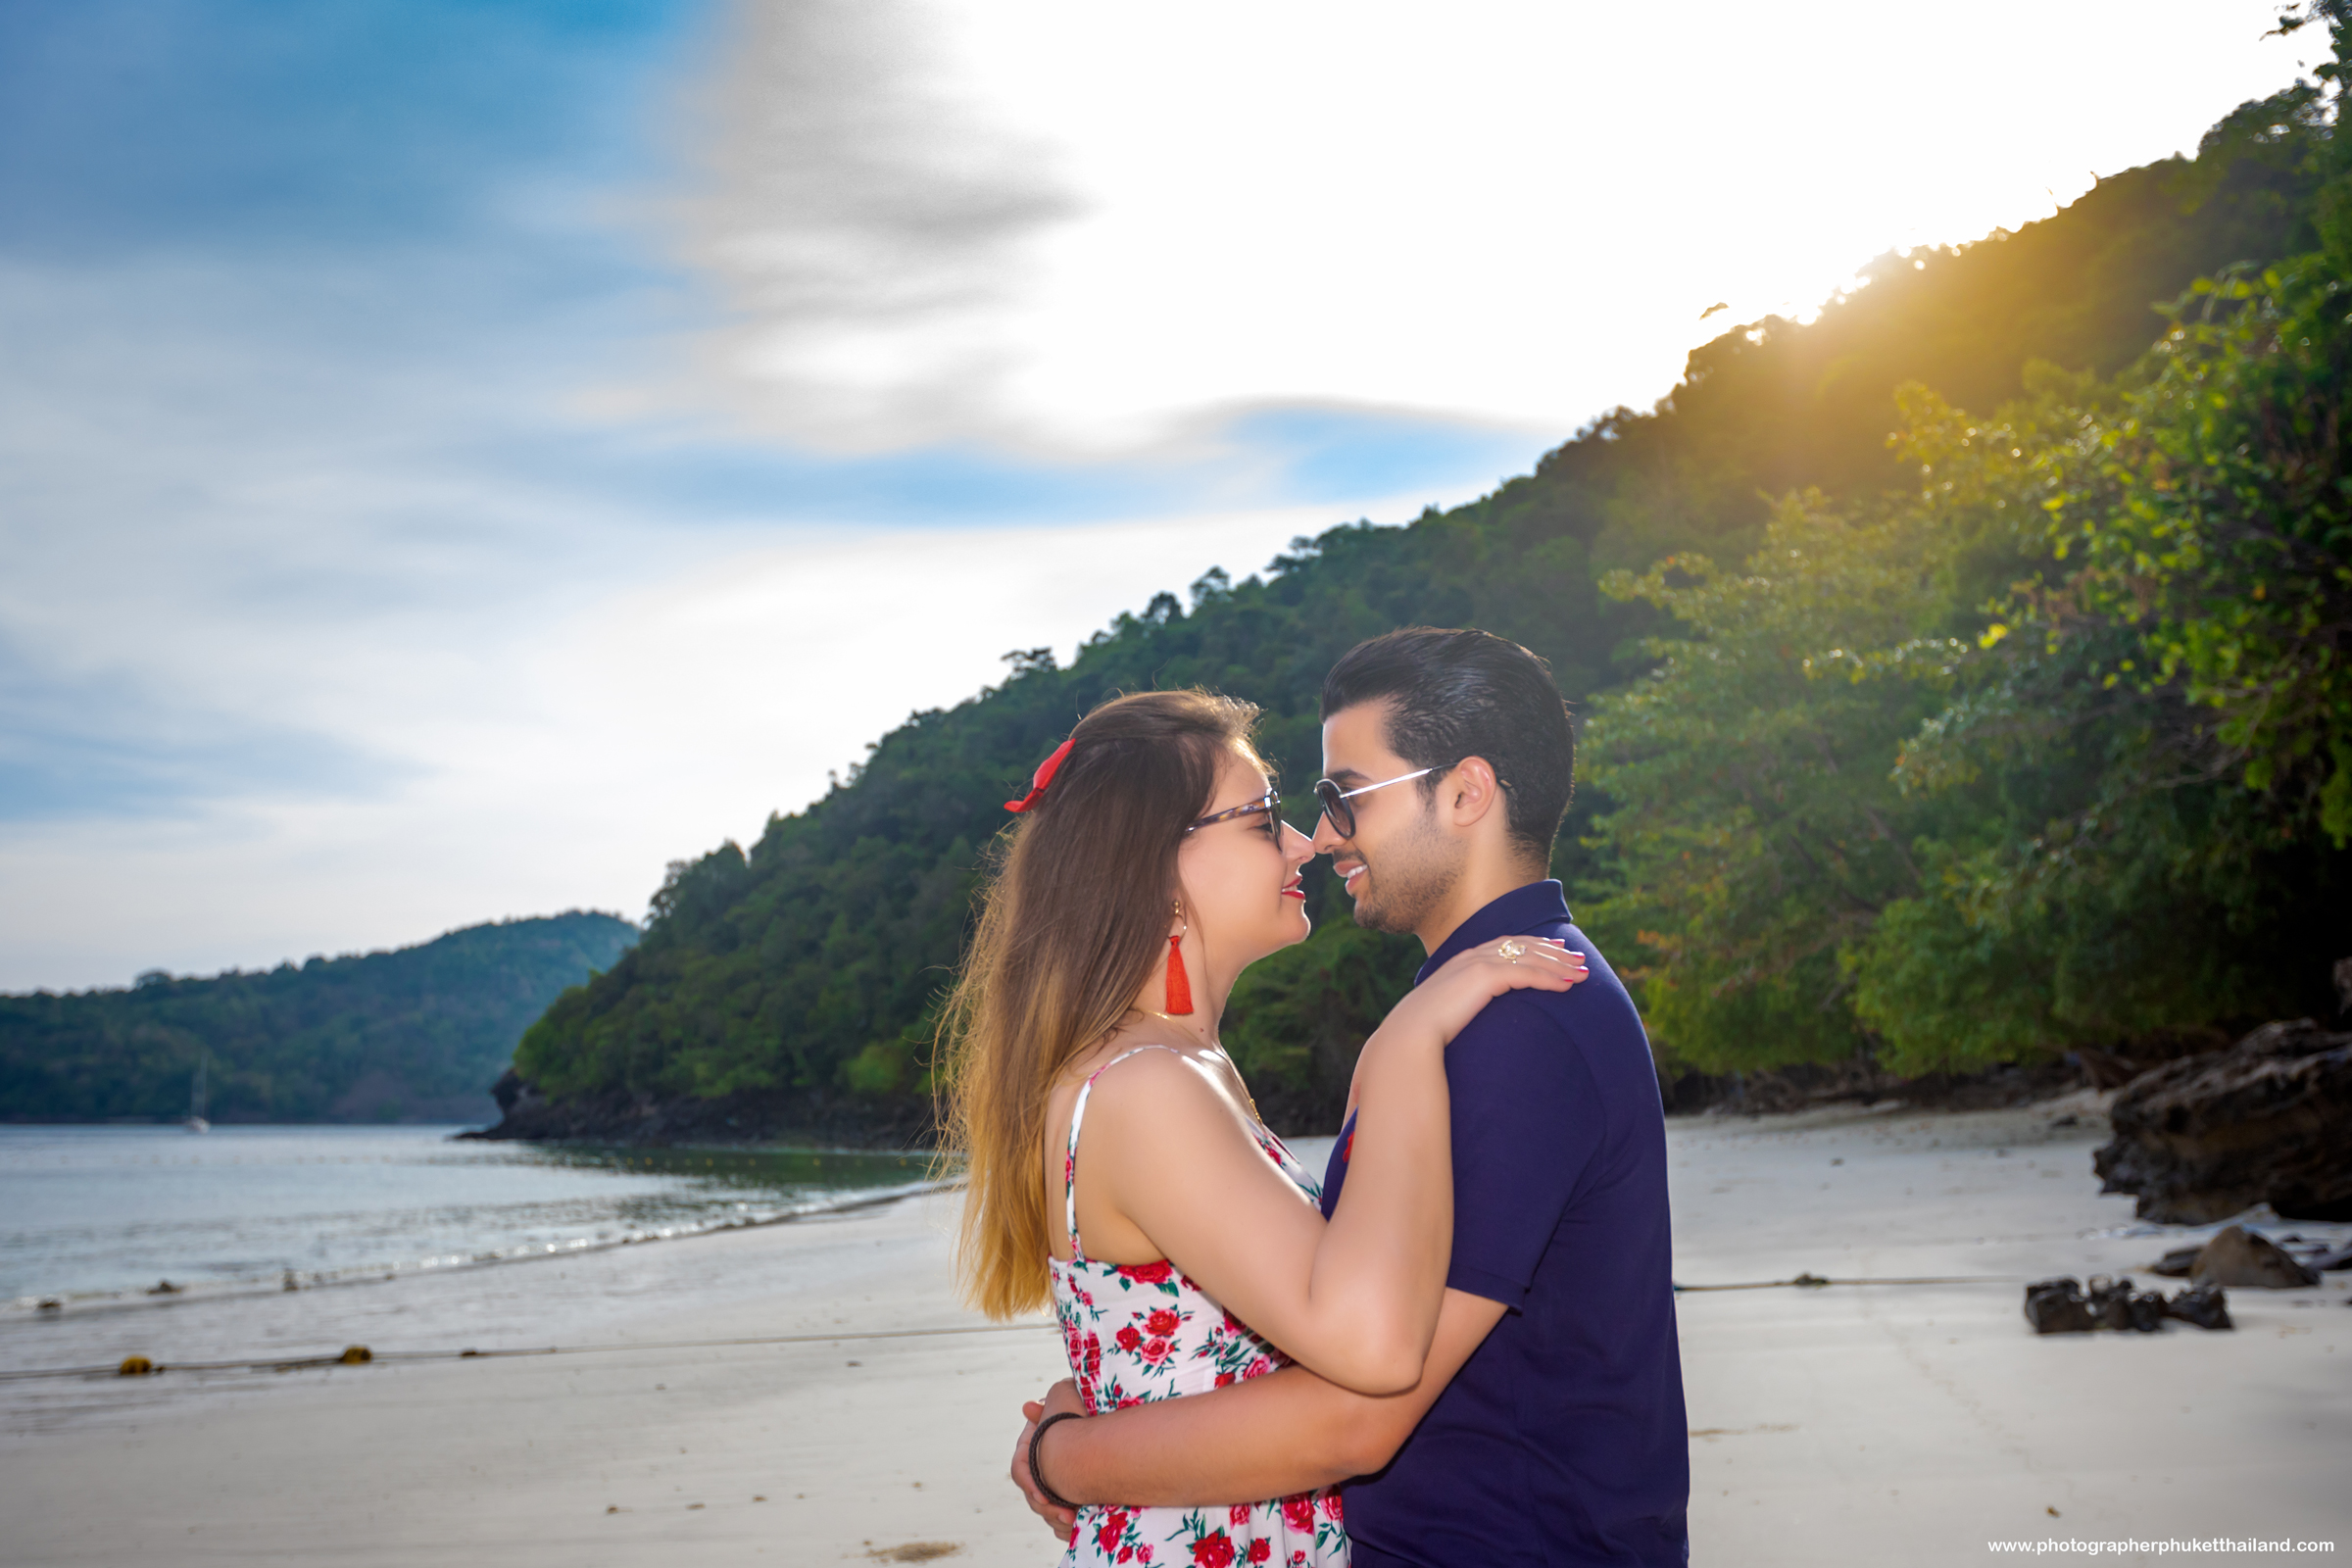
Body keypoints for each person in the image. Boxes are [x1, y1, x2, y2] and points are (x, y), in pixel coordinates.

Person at [1011, 628, 1691, 1566]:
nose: (1318, 835)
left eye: (1342, 797)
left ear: (1465, 794)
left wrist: (1070, 1457)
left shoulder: (1517, 1024)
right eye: (1275, 816)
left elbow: (1356, 1408)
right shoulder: (1464, 1013)